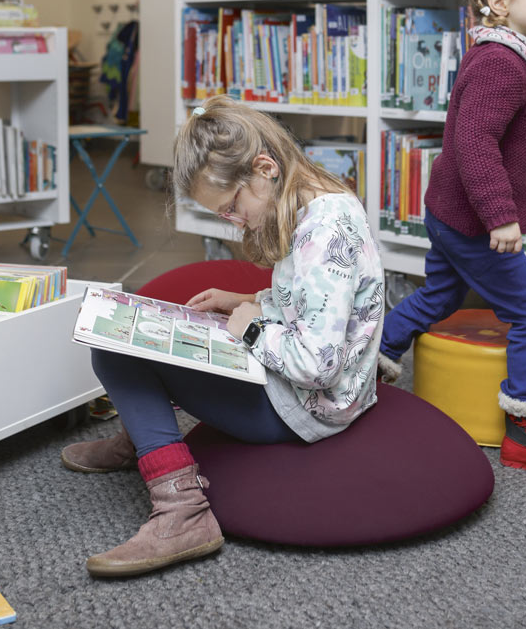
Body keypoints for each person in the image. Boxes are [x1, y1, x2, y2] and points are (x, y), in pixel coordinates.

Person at [61, 96, 383, 576]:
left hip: (304, 407)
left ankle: (182, 511)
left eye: (232, 206)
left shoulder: (324, 230)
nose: (234, 221)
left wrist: (251, 327)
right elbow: (316, 301)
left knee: (117, 355)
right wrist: (251, 302)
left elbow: (318, 366)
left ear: (264, 168)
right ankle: (142, 434)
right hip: (309, 390)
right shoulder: (321, 201)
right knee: (141, 336)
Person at [379, 0, 526, 473]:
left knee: (440, 296)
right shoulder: (500, 63)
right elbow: (473, 142)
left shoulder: (521, 58)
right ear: (499, 3)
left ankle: (370, 356)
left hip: (453, 211)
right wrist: (501, 215)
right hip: (475, 220)